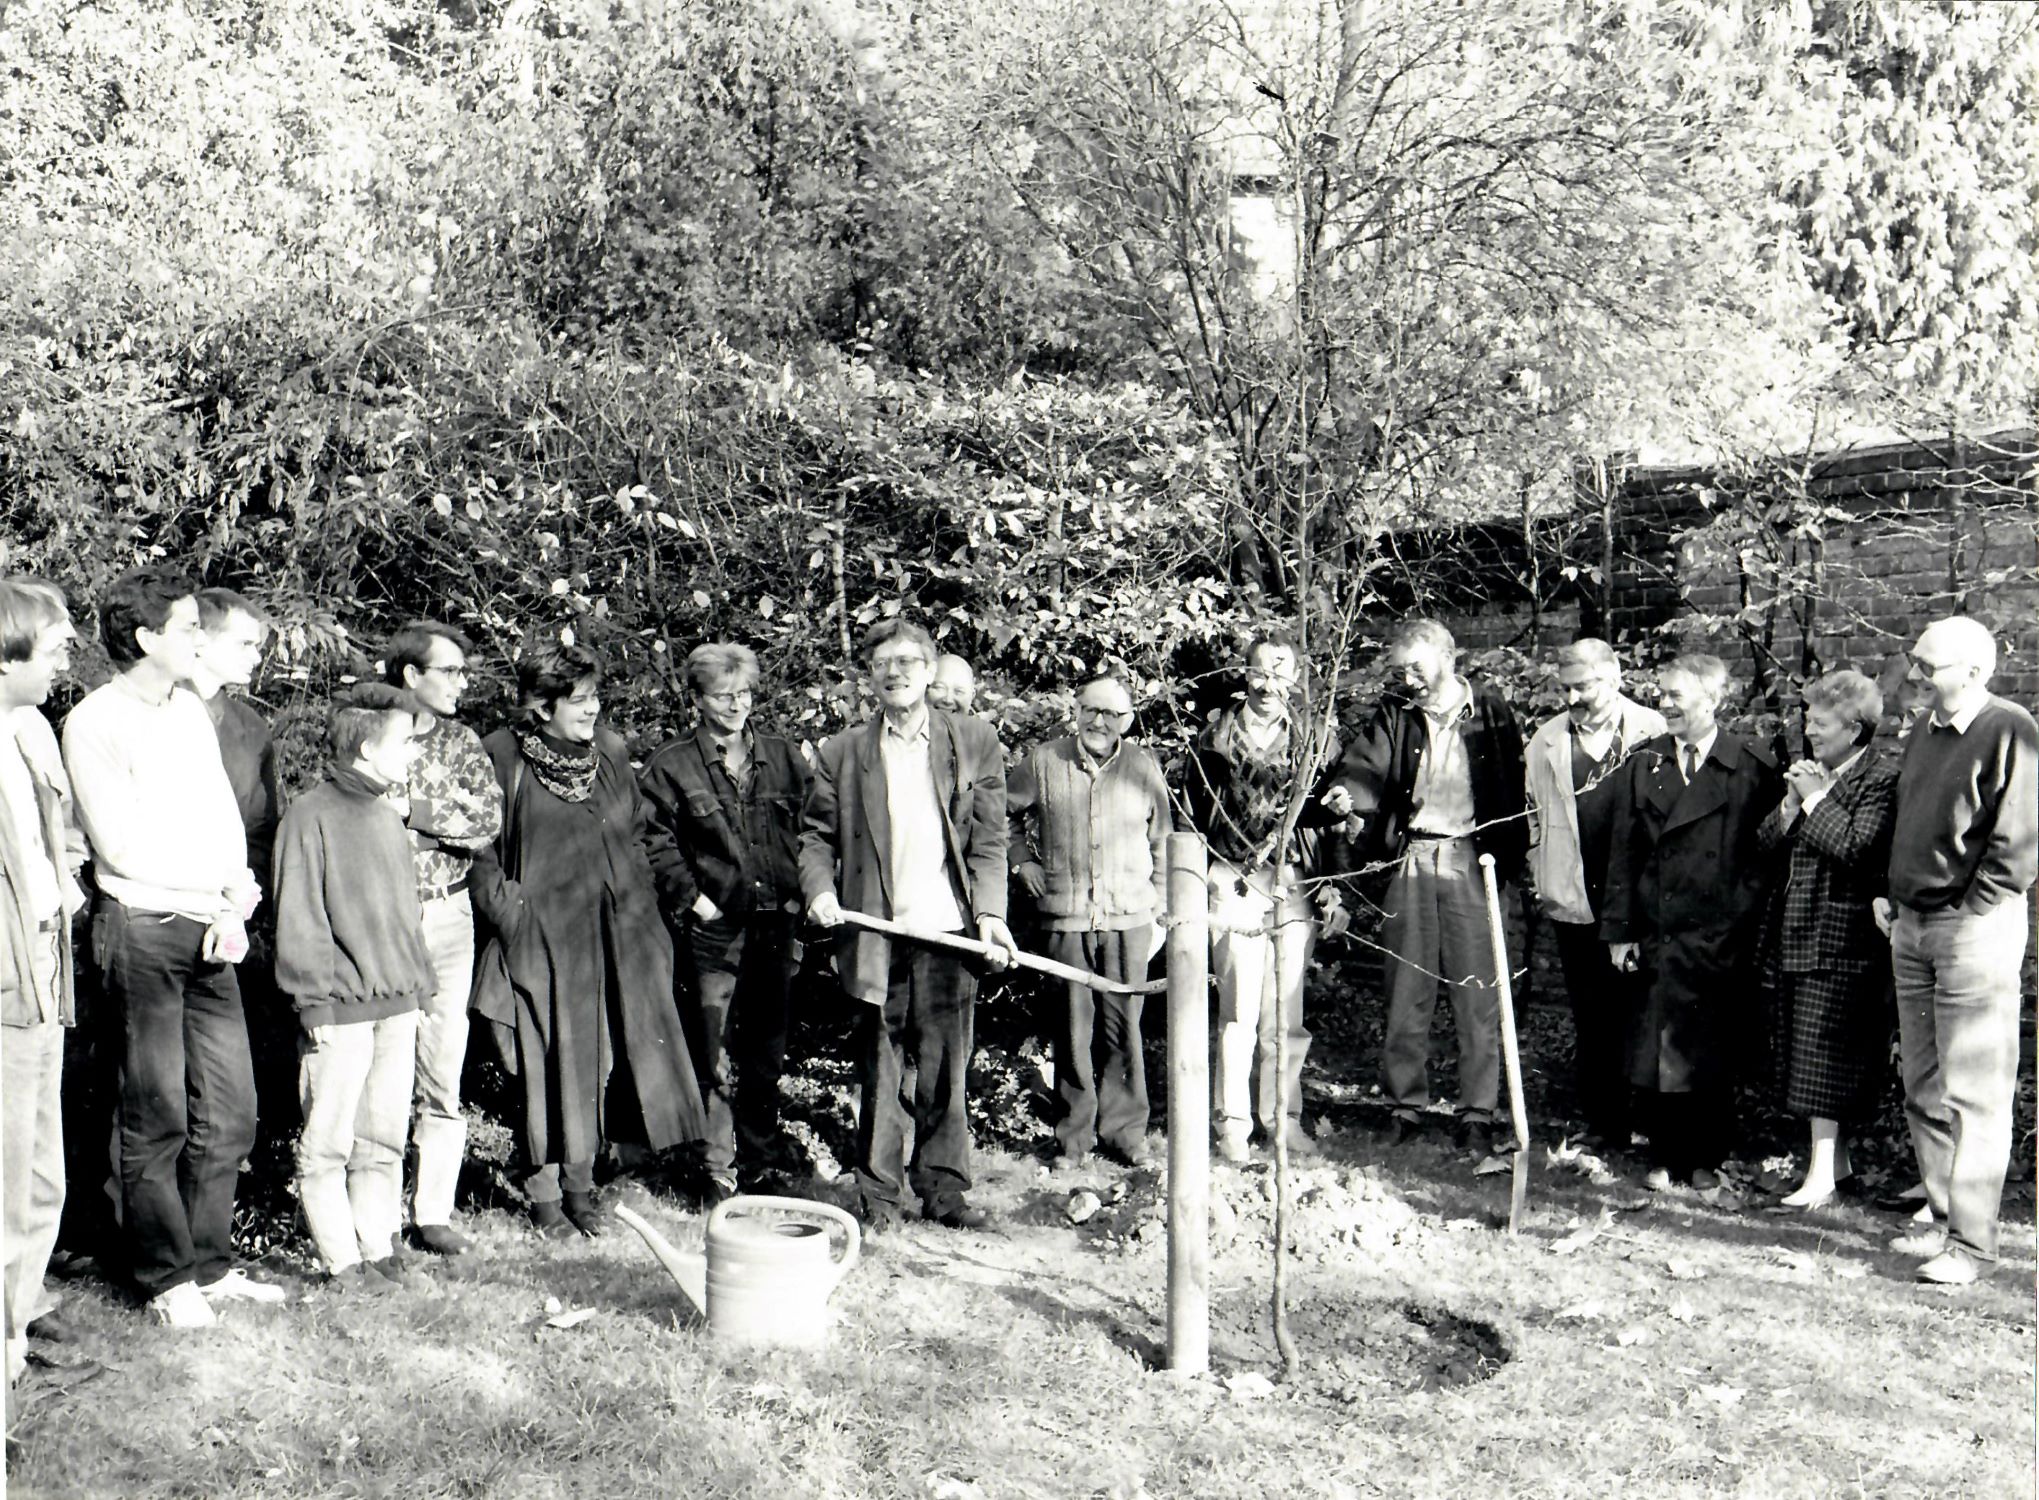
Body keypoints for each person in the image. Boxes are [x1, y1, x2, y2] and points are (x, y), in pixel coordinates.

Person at [62, 567, 280, 1326]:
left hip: (212, 930)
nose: (200, 638)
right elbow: (121, 849)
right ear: (147, 638)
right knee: (155, 1113)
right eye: (189, 627)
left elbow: (222, 822)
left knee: (231, 1110)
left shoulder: (189, 709)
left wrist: (237, 900)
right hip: (145, 931)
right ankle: (164, 1279)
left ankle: (210, 1266)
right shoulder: (93, 721)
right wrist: (211, 894)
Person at [469, 644, 703, 1238]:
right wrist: (511, 914)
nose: (593, 709)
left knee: (596, 1061)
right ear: (542, 705)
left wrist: (648, 913)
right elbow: (477, 846)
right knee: (545, 1061)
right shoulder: (502, 754)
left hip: (615, 935)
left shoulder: (611, 752)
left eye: (596, 697)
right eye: (579, 700)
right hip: (543, 938)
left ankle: (580, 1187)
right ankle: (544, 1194)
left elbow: (640, 834)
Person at [801, 619, 1017, 1231]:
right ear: (869, 678)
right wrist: (819, 888)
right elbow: (815, 836)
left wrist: (992, 916)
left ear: (928, 670)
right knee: (880, 1067)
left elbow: (990, 841)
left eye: (905, 662)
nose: (893, 673)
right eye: (881, 665)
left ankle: (944, 1191)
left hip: (948, 933)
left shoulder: (973, 740)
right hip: (874, 931)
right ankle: (879, 1198)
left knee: (946, 1066)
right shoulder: (843, 753)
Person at [1327, 618, 1527, 1158]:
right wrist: (1347, 795)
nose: (1409, 678)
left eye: (1417, 666)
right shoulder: (1397, 714)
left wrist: (1507, 858)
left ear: (1448, 657)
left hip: (1472, 859)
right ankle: (1404, 1106)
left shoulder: (1489, 708)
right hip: (1414, 856)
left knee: (1477, 993)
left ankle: (1477, 1113)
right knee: (1406, 991)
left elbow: (1513, 783)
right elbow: (1363, 769)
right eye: (1401, 670)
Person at [1884, 616, 2036, 1286]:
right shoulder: (1924, 727)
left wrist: (1966, 910)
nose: (1912, 674)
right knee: (1922, 1083)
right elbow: (1906, 818)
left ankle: (1971, 1248)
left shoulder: (2010, 728)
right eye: (1913, 660)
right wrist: (1887, 895)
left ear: (1972, 672)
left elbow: (2018, 847)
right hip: (1909, 927)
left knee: (1974, 1093)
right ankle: (1944, 1222)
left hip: (1972, 931)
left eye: (1926, 664)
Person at [271, 686, 435, 1293]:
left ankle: (377, 1246)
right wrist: (312, 1000)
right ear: (368, 748)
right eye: (405, 743)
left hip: (395, 1005)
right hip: (339, 1010)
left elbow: (404, 918)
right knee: (330, 1140)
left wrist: (419, 991)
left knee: (384, 1135)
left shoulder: (388, 817)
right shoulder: (309, 815)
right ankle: (340, 1261)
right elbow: (300, 917)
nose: (413, 755)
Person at [1601, 653, 1782, 1192]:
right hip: (1660, 931)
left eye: (1677, 695)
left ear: (1713, 701)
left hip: (1722, 936)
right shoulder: (1644, 763)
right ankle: (1663, 1153)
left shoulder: (1750, 764)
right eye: (1662, 694)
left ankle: (1706, 1156)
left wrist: (1743, 918)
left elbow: (1768, 854)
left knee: (1712, 1047)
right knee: (1657, 1047)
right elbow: (1623, 853)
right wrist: (1620, 931)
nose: (1664, 704)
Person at [641, 643, 810, 1200]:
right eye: (722, 695)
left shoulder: (784, 757)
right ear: (697, 699)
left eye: (743, 693)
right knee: (712, 1052)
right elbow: (653, 841)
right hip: (715, 930)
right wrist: (694, 899)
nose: (736, 705)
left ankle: (761, 1160)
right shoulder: (672, 765)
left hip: (776, 924)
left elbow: (814, 832)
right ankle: (717, 1169)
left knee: (765, 1052)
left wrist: (805, 894)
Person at [1183, 633, 1347, 1165]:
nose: (1268, 683)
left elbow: (1324, 816)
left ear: (1294, 680)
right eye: (1259, 672)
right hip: (1233, 882)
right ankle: (1232, 1124)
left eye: (1280, 673)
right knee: (1239, 1013)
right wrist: (1208, 873)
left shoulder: (1314, 742)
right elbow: (1192, 813)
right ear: (1245, 676)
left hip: (1292, 883)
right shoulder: (1214, 739)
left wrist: (1334, 820)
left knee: (1286, 1013)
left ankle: (1284, 1119)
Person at [1008, 673, 1172, 1170]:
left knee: (1125, 1031)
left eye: (1111, 714)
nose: (1099, 721)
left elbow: (1164, 841)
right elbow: (1001, 814)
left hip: (1130, 918)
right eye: (1090, 710)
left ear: (1127, 720)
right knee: (1072, 1031)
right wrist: (1022, 860)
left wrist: (1162, 909)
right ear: (1075, 711)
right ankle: (1073, 1139)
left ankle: (1125, 1135)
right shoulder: (1044, 760)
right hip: (1067, 916)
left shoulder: (1144, 768)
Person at [1754, 670, 1899, 1209]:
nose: (1809, 731)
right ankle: (1834, 1166)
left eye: (1821, 723)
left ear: (1855, 729)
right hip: (1796, 935)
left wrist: (1816, 800)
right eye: (1808, 720)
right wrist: (1793, 804)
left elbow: (1860, 849)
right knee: (1804, 1053)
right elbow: (1764, 845)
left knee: (1827, 1056)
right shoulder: (1814, 775)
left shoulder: (1880, 779)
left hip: (1842, 940)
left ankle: (1819, 1178)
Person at [385, 621, 501, 1256]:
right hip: (384, 922)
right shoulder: (370, 731)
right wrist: (434, 825)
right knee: (381, 1065)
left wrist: (415, 817)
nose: (462, 682)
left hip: (449, 918)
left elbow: (484, 823)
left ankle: (433, 1211)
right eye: (450, 671)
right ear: (411, 675)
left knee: (442, 1064)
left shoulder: (460, 743)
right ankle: (371, 1210)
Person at [1523, 639, 1664, 1146]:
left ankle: (1650, 1121)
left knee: (1644, 1011)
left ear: (1615, 676)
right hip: (1576, 895)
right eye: (1568, 687)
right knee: (1592, 1014)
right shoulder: (1545, 741)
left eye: (1585, 685)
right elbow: (1535, 819)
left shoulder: (1654, 731)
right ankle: (1606, 1125)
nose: (1575, 696)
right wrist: (1542, 872)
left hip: (1641, 898)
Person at [1, 579, 86, 1384]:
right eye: (55, 646)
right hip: (6, 983)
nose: (66, 660)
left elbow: (49, 844)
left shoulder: (28, 732)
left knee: (38, 1173)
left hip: (41, 971)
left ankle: (17, 1337)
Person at [189, 589, 292, 1164]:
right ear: (199, 638)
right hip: (162, 915)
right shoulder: (149, 712)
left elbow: (262, 827)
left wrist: (249, 916)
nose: (257, 656)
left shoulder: (250, 727)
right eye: (245, 643)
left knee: (224, 1096)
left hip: (234, 922)